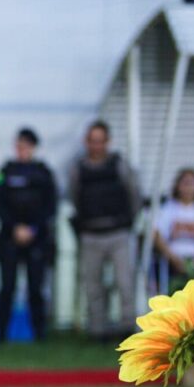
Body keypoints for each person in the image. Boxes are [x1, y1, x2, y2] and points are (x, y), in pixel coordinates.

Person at [67, 120, 140, 342]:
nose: (96, 145)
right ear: (86, 142)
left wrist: (128, 221)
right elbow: (74, 196)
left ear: (107, 142)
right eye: (92, 141)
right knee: (93, 285)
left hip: (118, 232)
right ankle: (97, 329)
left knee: (124, 282)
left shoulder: (120, 166)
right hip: (91, 233)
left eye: (100, 141)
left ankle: (127, 327)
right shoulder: (78, 168)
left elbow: (134, 194)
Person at [0, 127, 57, 342]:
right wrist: (14, 228)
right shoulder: (4, 171)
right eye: (19, 145)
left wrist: (33, 229)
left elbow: (51, 205)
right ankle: (1, 334)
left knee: (36, 287)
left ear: (34, 148)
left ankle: (39, 334)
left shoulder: (44, 173)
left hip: (37, 238)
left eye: (26, 146)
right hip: (9, 237)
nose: (22, 150)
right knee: (7, 287)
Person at [152, 167, 194, 292]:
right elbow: (157, 235)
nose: (188, 188)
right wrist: (173, 258)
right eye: (185, 183)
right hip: (171, 262)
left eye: (192, 184)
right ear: (177, 186)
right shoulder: (168, 208)